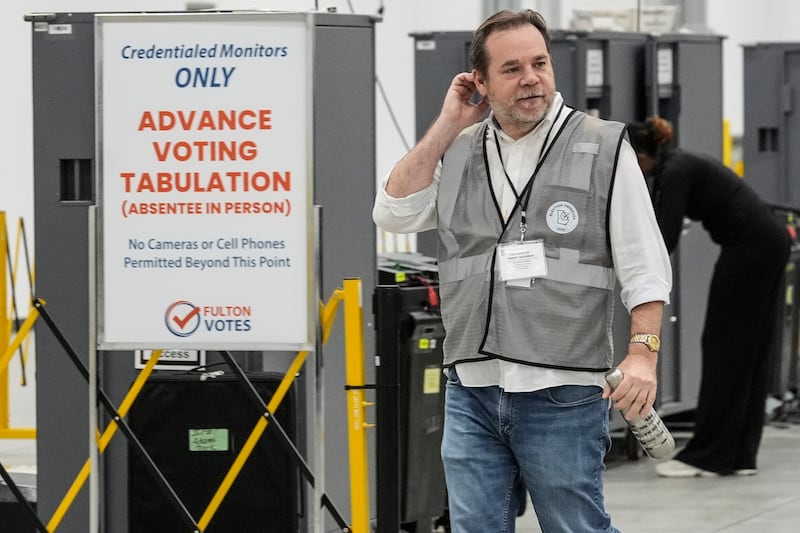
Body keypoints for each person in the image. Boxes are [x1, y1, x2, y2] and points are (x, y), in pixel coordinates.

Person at [373, 9, 672, 533]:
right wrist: (447, 124)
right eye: (511, 69)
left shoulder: (603, 145)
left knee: (576, 528)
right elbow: (393, 211)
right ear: (481, 84)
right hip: (472, 385)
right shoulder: (461, 149)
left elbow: (645, 264)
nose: (531, 77)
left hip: (562, 389)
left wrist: (642, 354)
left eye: (539, 63)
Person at [628, 116, 791, 478]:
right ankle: (740, 456)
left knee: (722, 346)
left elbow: (663, 238)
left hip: (750, 248)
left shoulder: (675, 171)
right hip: (766, 243)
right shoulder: (680, 162)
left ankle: (708, 456)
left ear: (641, 157)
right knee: (748, 351)